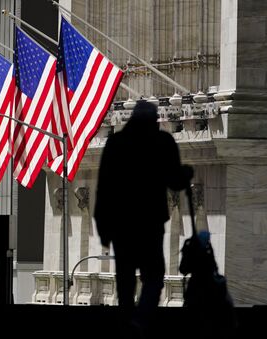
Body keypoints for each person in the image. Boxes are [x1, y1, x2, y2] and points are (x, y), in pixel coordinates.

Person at [94, 101, 192, 336]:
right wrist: (186, 173)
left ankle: (127, 320)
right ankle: (141, 320)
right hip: (149, 224)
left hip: (122, 226)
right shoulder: (162, 142)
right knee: (154, 276)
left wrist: (103, 228)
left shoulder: (116, 143)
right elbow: (175, 181)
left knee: (125, 279)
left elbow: (104, 187)